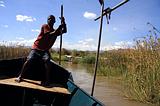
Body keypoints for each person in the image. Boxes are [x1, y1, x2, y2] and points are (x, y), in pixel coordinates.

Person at [15, 15, 67, 86]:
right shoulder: (45, 26)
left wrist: (63, 22)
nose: (50, 20)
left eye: (52, 19)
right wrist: (59, 27)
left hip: (45, 50)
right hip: (36, 48)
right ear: (47, 20)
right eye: (49, 19)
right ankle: (20, 76)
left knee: (48, 61)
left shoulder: (55, 30)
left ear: (54, 21)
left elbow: (65, 31)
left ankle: (47, 80)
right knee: (29, 59)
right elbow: (49, 34)